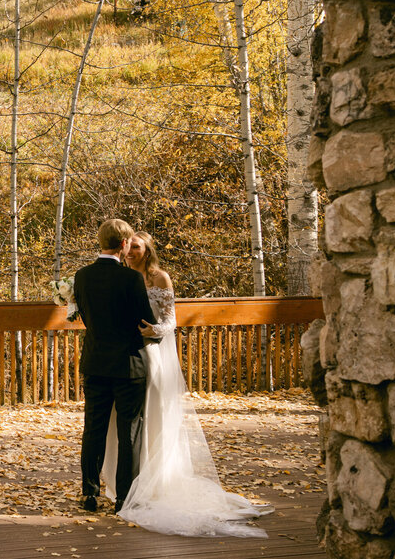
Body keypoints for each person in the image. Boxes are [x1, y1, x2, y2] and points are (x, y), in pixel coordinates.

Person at [102, 231, 273, 537]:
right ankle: (123, 482)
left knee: (153, 415)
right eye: (129, 247)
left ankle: (154, 479)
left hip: (152, 353)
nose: (130, 252)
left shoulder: (160, 278)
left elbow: (171, 320)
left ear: (147, 249)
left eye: (137, 247)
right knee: (123, 420)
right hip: (123, 360)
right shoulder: (121, 277)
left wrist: (153, 330)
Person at [73, 219, 157, 514]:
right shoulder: (130, 279)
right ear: (123, 245)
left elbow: (84, 316)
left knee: (92, 430)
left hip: (95, 363)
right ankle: (124, 498)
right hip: (129, 365)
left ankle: (89, 494)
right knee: (129, 433)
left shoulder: (81, 276)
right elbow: (147, 322)